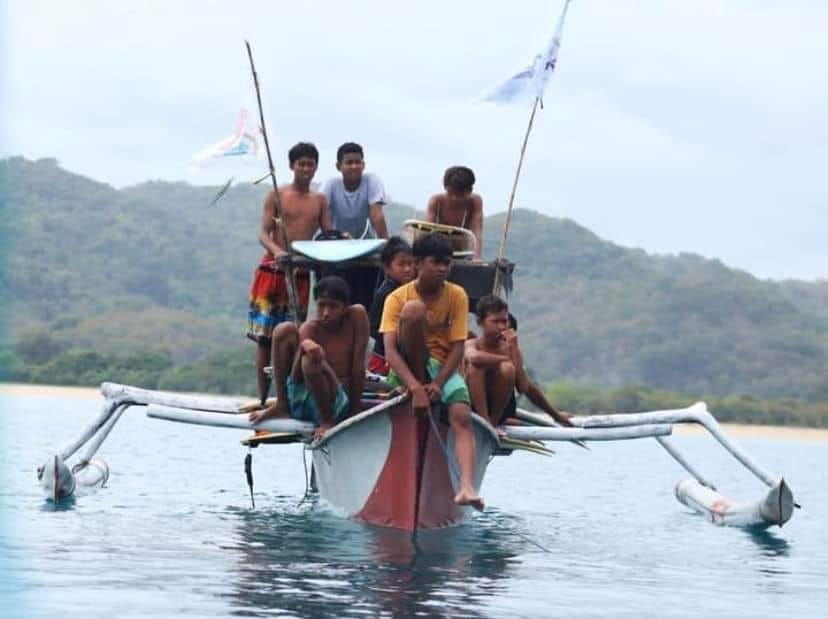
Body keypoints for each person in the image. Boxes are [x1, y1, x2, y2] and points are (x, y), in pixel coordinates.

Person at [379, 233, 484, 510]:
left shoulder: (457, 295)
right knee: (414, 311)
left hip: (443, 368)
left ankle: (466, 487)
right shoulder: (397, 297)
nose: (442, 268)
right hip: (406, 367)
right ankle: (416, 386)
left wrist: (437, 384)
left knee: (461, 414)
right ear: (418, 263)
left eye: (446, 263)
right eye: (435, 262)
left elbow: (458, 348)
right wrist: (415, 387)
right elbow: (390, 351)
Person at [247, 142, 332, 405]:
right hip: (273, 271)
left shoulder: (319, 200)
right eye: (301, 164)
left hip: (301, 275)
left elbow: (327, 237)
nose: (306, 169)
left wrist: (330, 247)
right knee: (265, 338)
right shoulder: (277, 194)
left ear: (316, 167)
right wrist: (277, 252)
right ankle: (263, 398)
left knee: (296, 336)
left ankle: (289, 398)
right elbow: (262, 233)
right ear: (292, 166)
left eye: (310, 164)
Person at [249, 276, 369, 440]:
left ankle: (328, 420)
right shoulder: (310, 328)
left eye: (333, 307)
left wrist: (355, 410)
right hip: (306, 401)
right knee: (284, 331)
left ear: (345, 308)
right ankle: (282, 405)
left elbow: (358, 365)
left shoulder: (356, 316)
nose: (326, 313)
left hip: (340, 402)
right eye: (321, 306)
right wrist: (305, 345)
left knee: (312, 362)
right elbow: (297, 377)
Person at [465, 295, 572, 431]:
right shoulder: (472, 344)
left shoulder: (510, 349)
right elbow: (474, 358)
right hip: (474, 407)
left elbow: (523, 386)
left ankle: (493, 423)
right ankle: (485, 422)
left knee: (508, 369)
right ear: (480, 322)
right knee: (476, 367)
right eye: (495, 322)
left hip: (499, 411)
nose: (501, 327)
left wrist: (556, 415)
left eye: (504, 321)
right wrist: (505, 358)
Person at [321, 142, 389, 239]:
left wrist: (386, 244)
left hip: (365, 244)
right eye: (349, 163)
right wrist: (332, 237)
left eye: (357, 162)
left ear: (363, 165)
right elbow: (320, 215)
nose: (354, 166)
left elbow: (377, 215)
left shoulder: (372, 181)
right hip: (335, 242)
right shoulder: (331, 185)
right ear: (338, 166)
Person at [367, 236, 414, 375]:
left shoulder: (408, 289)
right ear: (387, 268)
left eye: (410, 264)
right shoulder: (387, 293)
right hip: (385, 354)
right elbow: (374, 328)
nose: (407, 269)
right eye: (401, 264)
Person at [426, 166, 484, 259]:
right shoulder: (436, 201)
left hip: (463, 251)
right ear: (445, 188)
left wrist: (476, 258)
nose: (455, 198)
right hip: (438, 251)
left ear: (470, 191)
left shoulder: (475, 202)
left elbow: (477, 232)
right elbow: (427, 232)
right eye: (451, 194)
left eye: (460, 195)